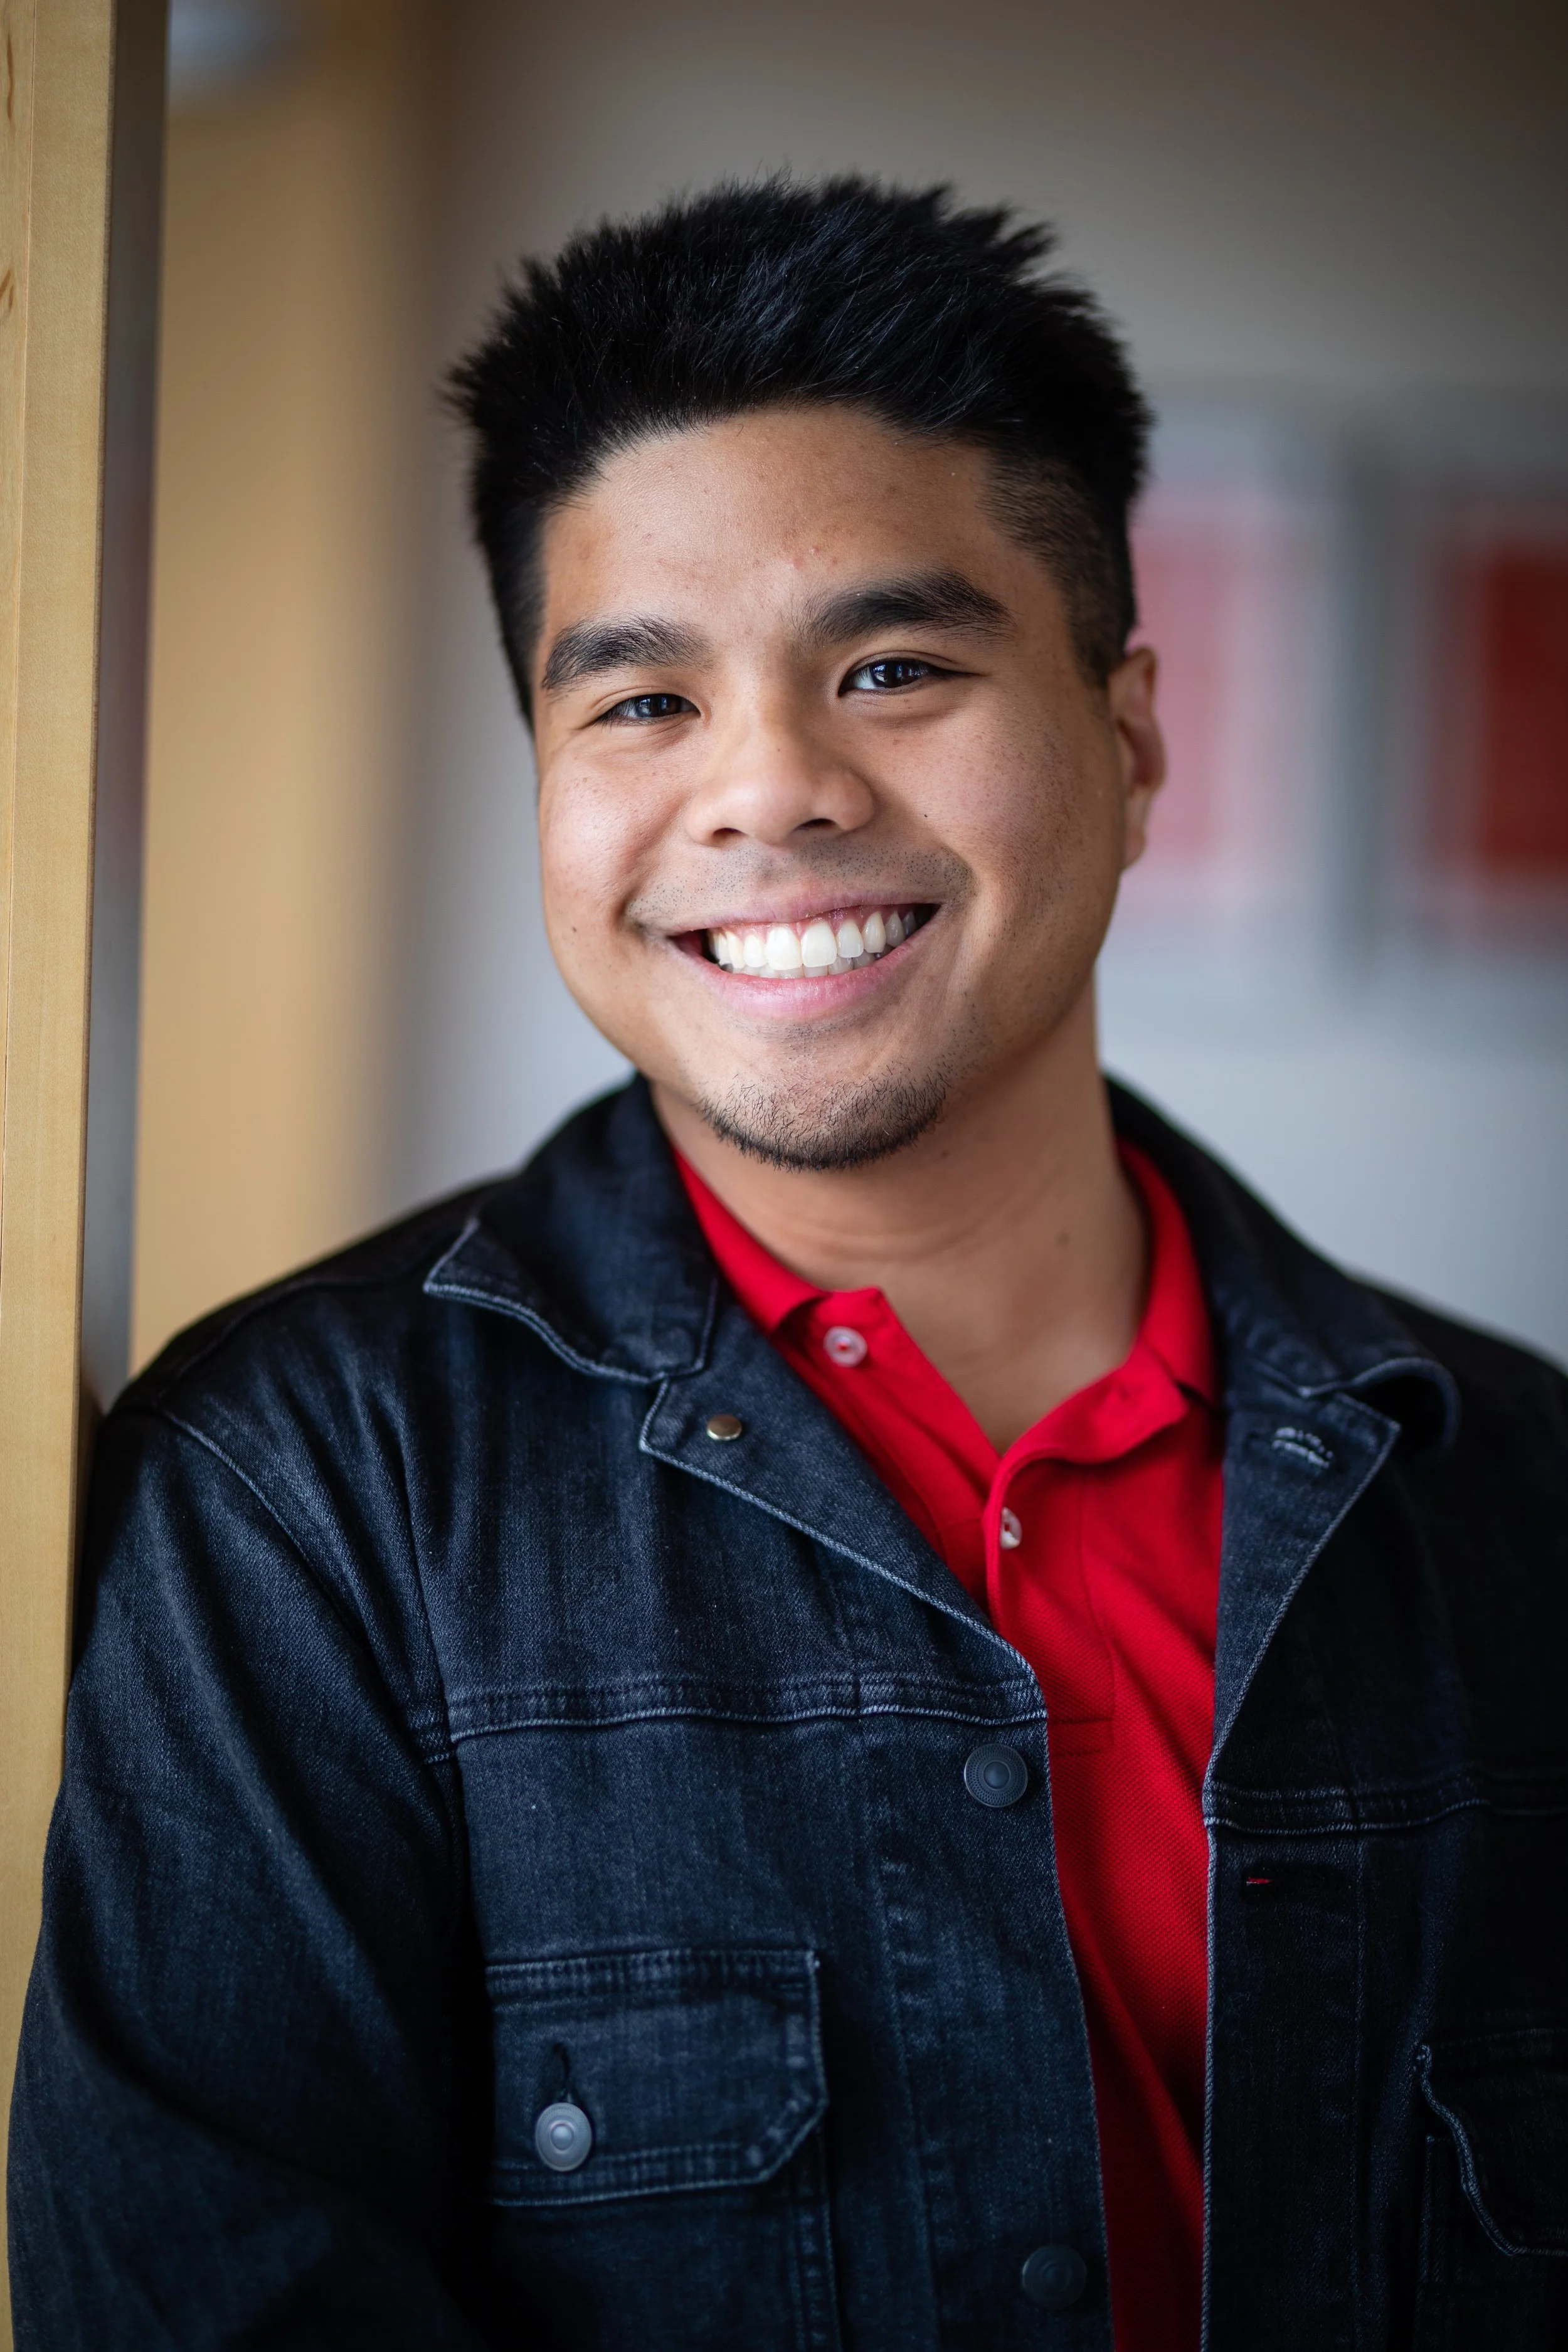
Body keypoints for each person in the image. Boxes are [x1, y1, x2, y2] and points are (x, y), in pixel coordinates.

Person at [9, 176, 1567, 2352]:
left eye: (896, 665)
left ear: (1124, 737)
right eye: (637, 703)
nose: (769, 789)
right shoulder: (305, 1490)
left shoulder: (1513, 1494)